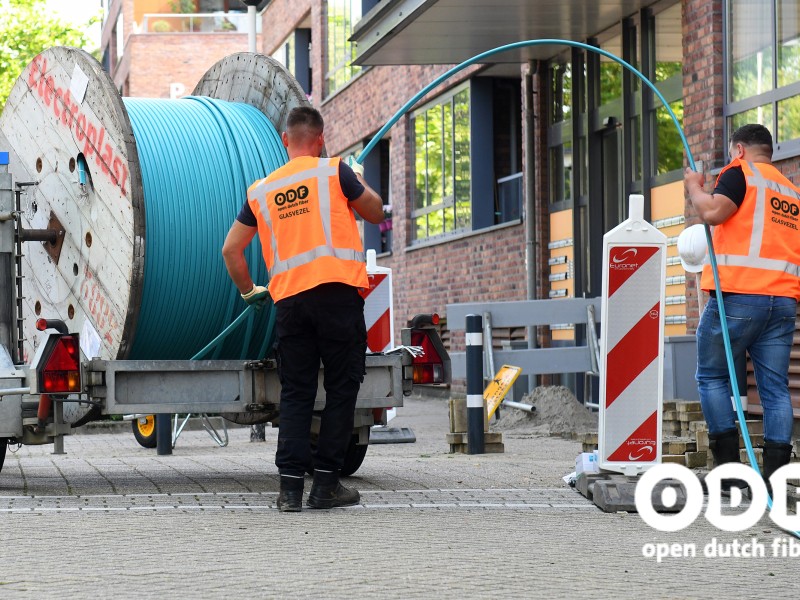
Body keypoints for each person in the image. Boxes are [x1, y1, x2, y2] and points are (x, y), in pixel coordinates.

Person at [222, 106, 384, 512]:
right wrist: (358, 181)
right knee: (342, 389)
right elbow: (376, 212)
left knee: (296, 393)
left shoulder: (261, 190)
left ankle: (289, 490)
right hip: (337, 298)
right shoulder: (335, 172)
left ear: (284, 140)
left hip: (290, 302)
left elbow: (231, 250)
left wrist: (249, 291)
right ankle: (326, 485)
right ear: (321, 138)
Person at [684, 124, 799, 494]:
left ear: (738, 149)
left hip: (738, 298)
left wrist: (694, 186)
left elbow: (713, 213)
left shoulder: (740, 173)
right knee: (776, 390)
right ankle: (777, 481)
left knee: (713, 377)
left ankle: (730, 477)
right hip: (782, 303)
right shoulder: (791, 193)